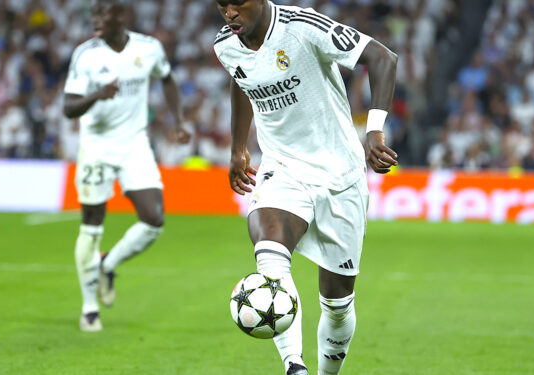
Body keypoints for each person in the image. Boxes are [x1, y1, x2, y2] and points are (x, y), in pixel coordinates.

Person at [213, 1, 398, 374]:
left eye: (238, 3)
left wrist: (374, 131)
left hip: (340, 175)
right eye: (222, 5)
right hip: (282, 167)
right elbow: (242, 78)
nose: (230, 13)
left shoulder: (302, 27)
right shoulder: (225, 44)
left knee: (337, 302)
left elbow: (383, 58)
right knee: (270, 254)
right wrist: (238, 148)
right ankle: (293, 365)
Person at [63, 0, 190, 332]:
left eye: (103, 15)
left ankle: (109, 264)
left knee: (154, 219)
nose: (96, 21)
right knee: (92, 225)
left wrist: (178, 120)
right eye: (94, 15)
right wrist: (97, 96)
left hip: (134, 144)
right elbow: (69, 107)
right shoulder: (86, 54)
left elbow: (168, 78)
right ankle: (89, 308)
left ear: (122, 16)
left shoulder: (148, 48)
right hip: (96, 148)